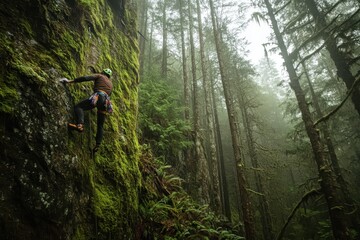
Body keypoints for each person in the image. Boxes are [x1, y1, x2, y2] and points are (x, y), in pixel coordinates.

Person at [60, 68, 113, 153]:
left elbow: (85, 78)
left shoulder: (99, 75)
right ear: (109, 76)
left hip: (98, 96)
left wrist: (70, 81)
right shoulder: (111, 84)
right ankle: (97, 145)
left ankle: (80, 125)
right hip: (106, 102)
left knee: (79, 107)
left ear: (103, 72)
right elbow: (109, 94)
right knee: (100, 125)